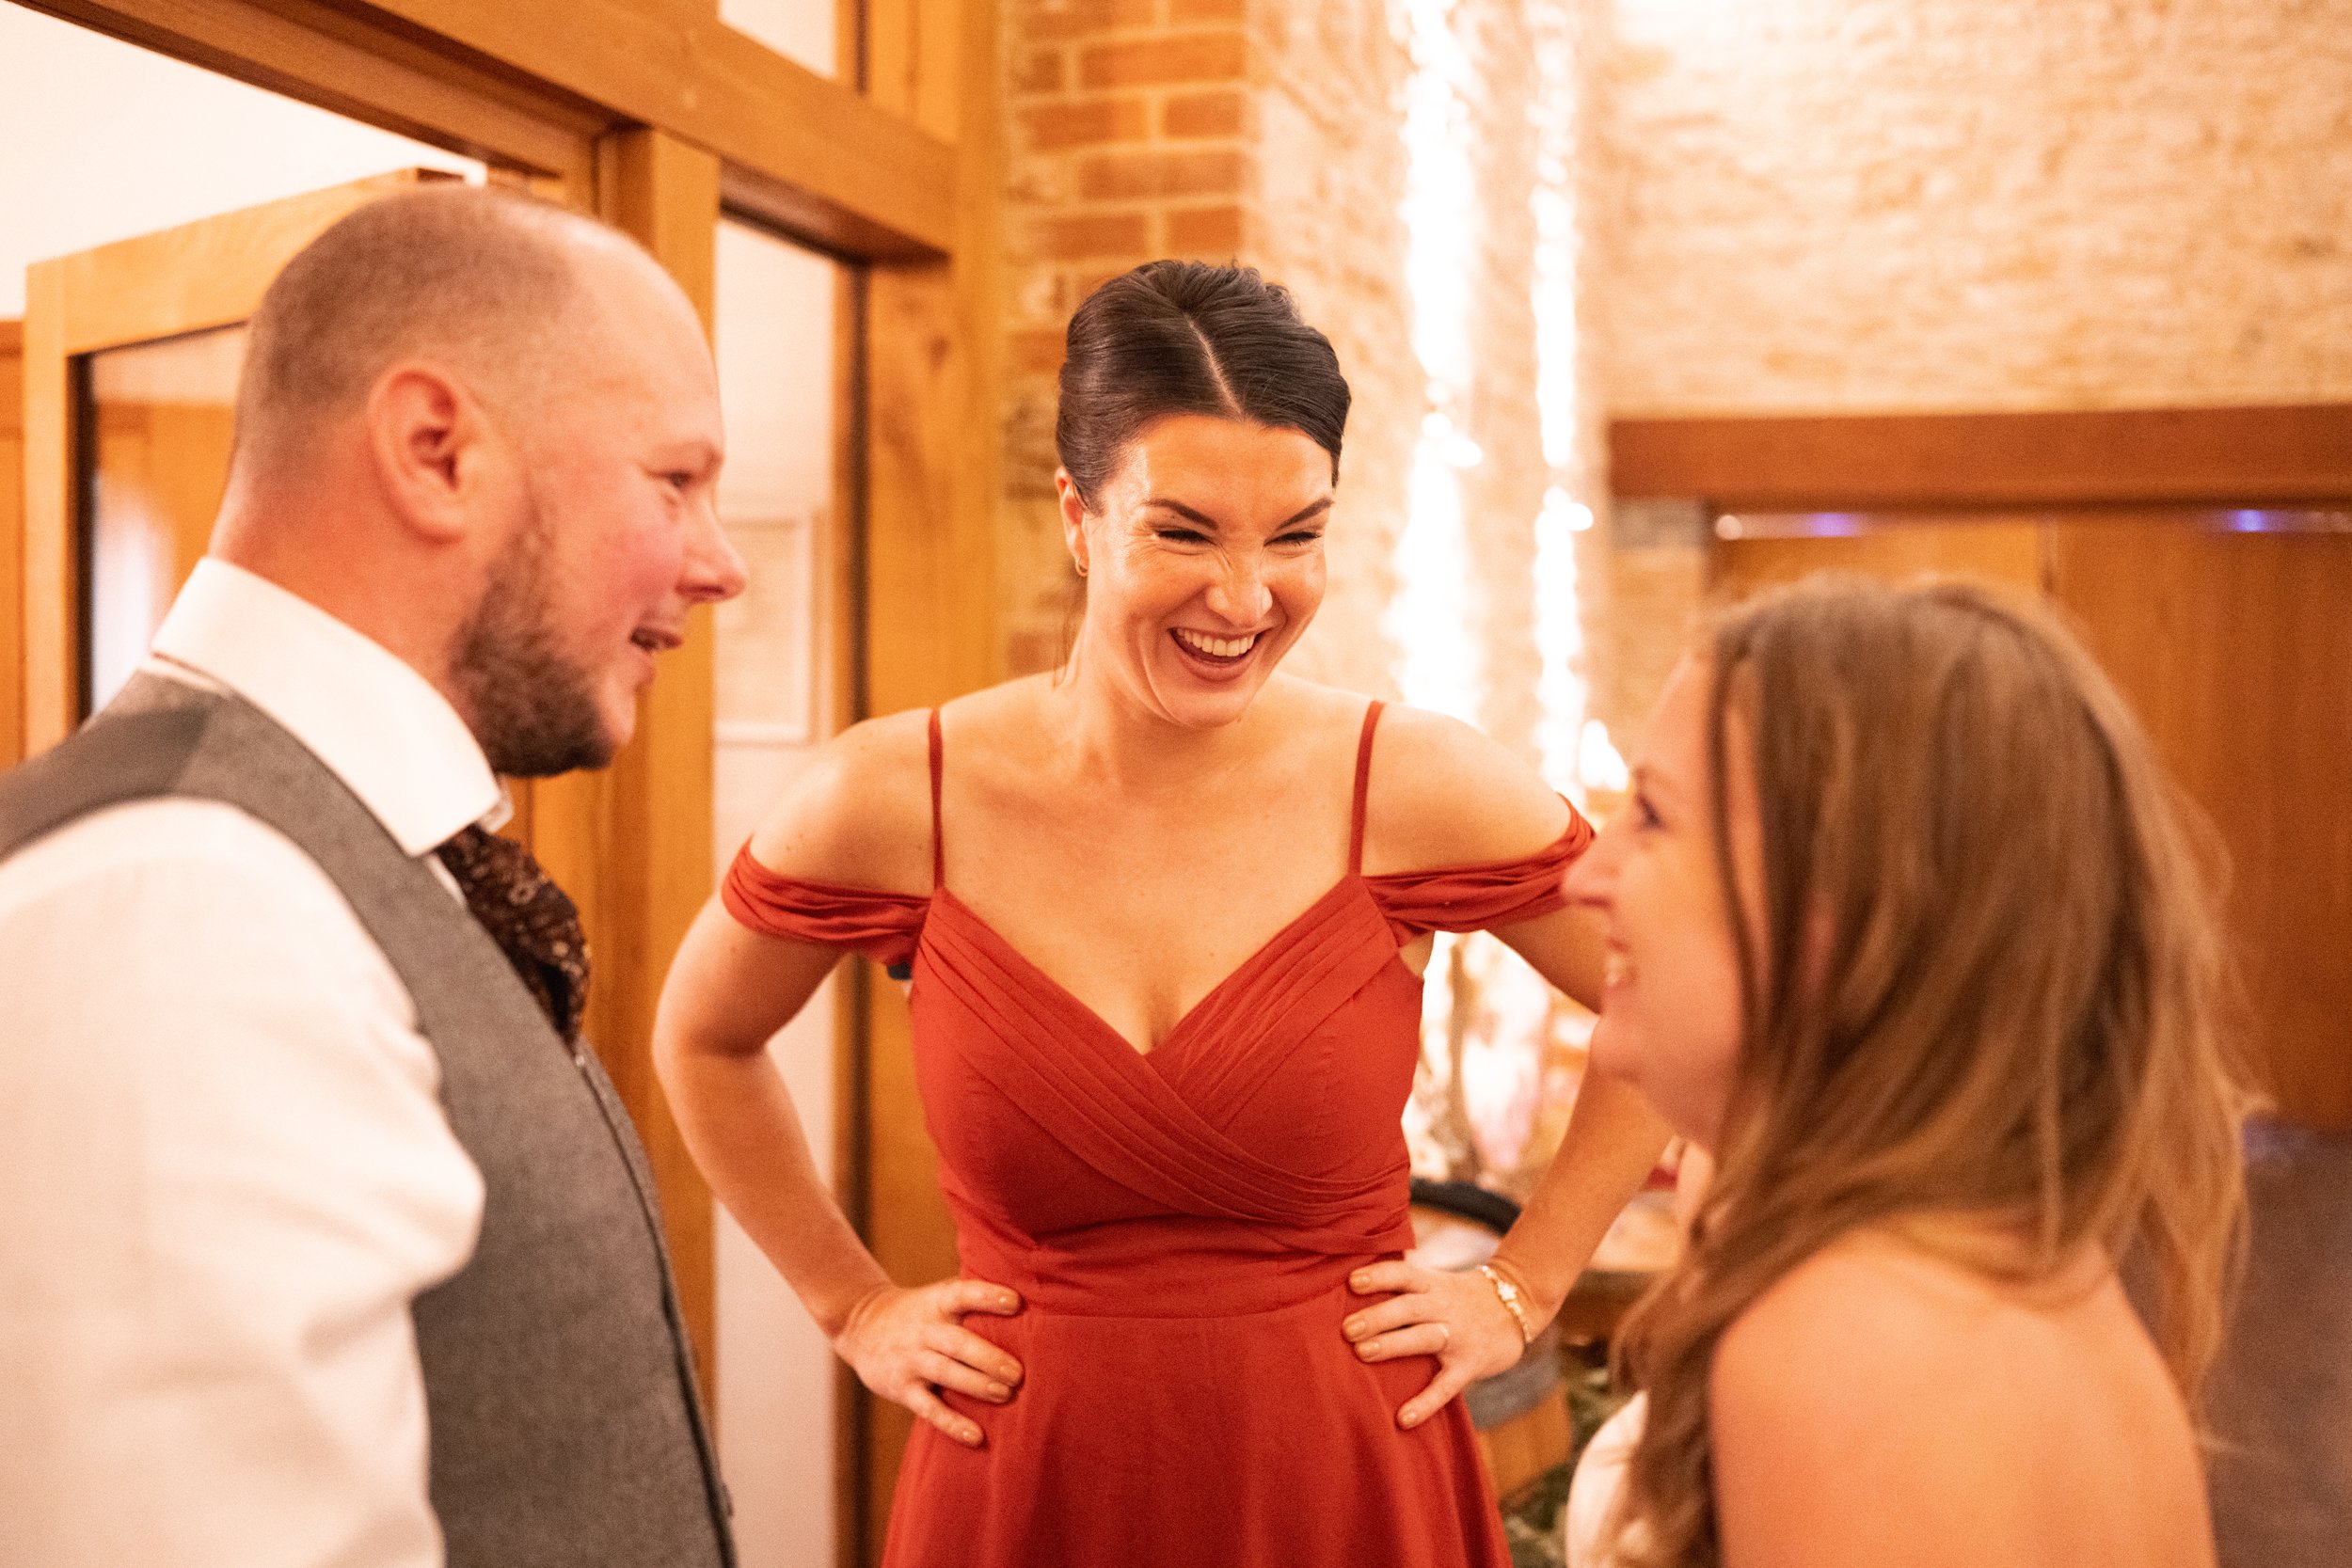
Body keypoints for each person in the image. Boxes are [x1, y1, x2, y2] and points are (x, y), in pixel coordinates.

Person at [654, 260, 1672, 1566]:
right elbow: (701, 1035)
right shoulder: (893, 792)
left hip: (1341, 1478)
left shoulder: (1412, 780)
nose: (1246, 599)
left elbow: (1676, 992)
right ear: (1078, 515)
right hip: (1027, 1485)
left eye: (1295, 535)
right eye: (1183, 532)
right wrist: (850, 1303)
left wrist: (1525, 1284)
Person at [0, 186, 748, 1568]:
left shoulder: (333, 856)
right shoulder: (185, 913)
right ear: (435, 449)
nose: (723, 564)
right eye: (675, 480)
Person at [1560, 578, 2247, 1568]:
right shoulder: (1996, 1254)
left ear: (1848, 909)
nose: (1586, 874)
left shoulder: (1855, 1342)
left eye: (1652, 816)